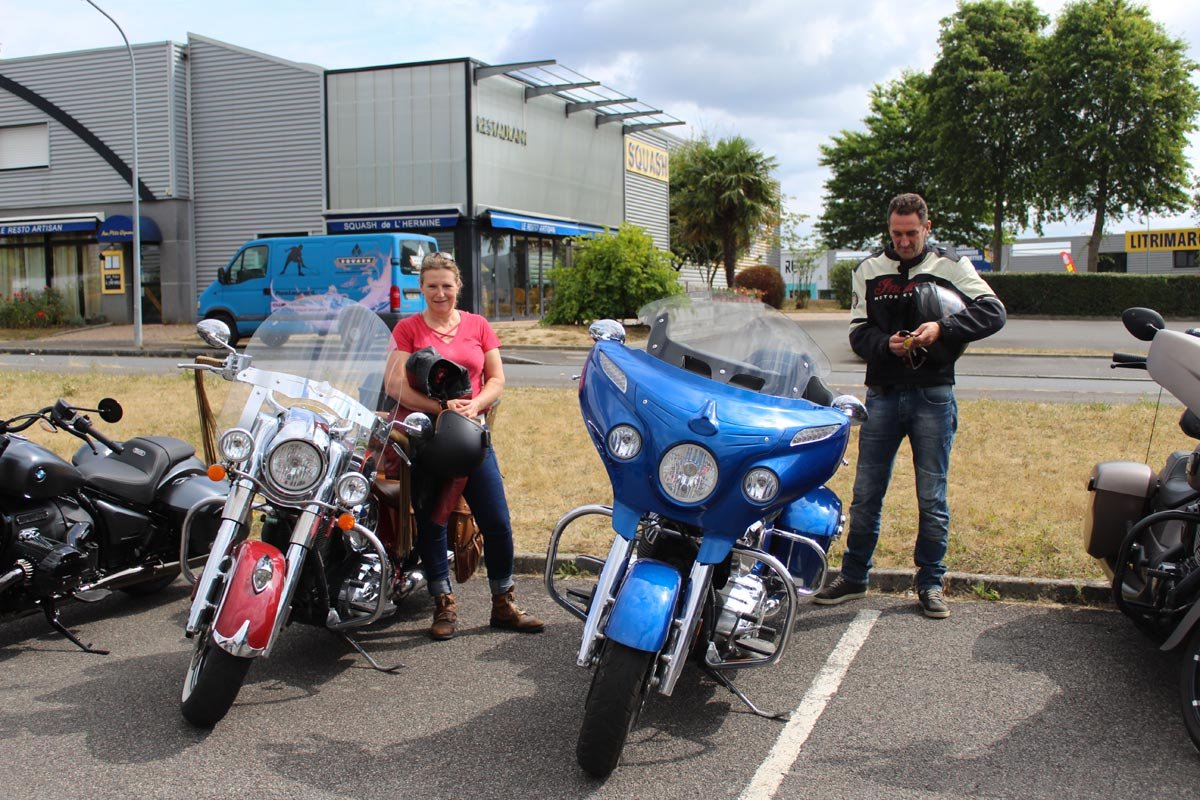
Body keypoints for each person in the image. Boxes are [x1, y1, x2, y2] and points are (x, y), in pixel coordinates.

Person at [814, 193, 1006, 619]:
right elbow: (858, 334)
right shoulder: (867, 271)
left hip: (933, 394)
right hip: (882, 393)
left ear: (927, 227)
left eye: (911, 233)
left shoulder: (951, 266)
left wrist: (943, 328)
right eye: (896, 233)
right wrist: (887, 345)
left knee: (931, 495)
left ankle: (931, 582)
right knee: (866, 494)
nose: (903, 241)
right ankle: (854, 576)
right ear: (889, 229)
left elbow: (994, 312)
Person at [383, 251, 544, 640]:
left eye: (447, 286)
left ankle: (504, 603)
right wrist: (439, 407)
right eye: (433, 286)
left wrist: (475, 403)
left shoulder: (478, 325)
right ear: (421, 288)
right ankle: (444, 605)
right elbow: (394, 385)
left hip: (471, 437)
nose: (441, 293)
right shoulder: (407, 329)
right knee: (432, 520)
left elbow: (497, 379)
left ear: (459, 287)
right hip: (426, 438)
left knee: (497, 521)